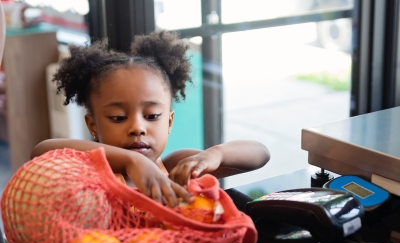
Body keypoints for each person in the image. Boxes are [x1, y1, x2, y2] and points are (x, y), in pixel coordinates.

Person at [32, 30, 270, 208]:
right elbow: (41, 151)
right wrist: (130, 162)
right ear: (93, 126)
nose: (137, 127)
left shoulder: (176, 169)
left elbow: (260, 154)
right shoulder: (93, 173)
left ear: (168, 122)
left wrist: (215, 154)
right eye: (118, 117)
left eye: (152, 116)